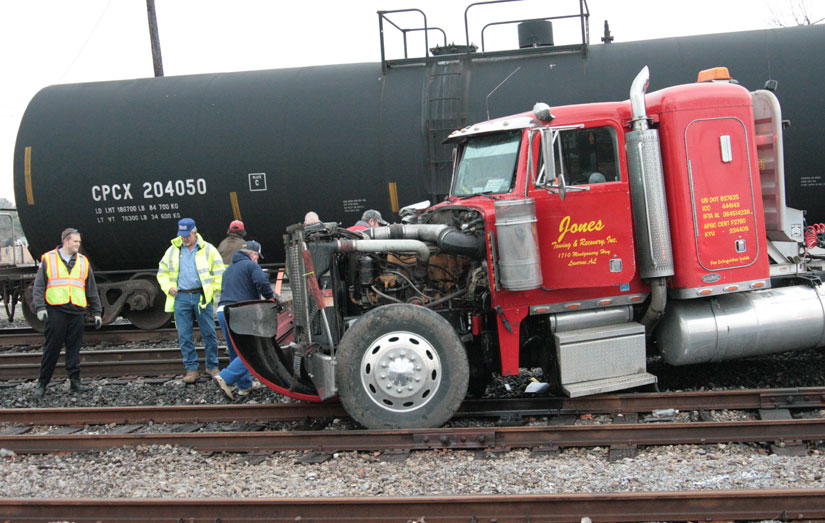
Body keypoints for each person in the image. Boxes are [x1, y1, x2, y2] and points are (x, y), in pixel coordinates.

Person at [32, 228, 103, 398]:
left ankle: (75, 382)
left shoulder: (83, 261)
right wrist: (40, 307)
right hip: (56, 310)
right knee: (52, 348)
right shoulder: (48, 259)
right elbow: (39, 285)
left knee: (74, 348)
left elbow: (91, 288)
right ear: (65, 241)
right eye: (75, 241)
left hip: (77, 311)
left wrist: (97, 311)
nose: (78, 244)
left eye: (79, 241)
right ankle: (42, 383)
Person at [157, 218, 225, 383]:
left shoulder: (208, 249)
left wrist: (211, 289)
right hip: (181, 297)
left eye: (187, 235)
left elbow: (220, 272)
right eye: (182, 235)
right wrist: (168, 288)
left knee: (209, 333)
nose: (184, 238)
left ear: (195, 232)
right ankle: (191, 369)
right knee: (184, 335)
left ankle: (212, 366)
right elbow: (162, 272)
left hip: (201, 296)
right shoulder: (172, 250)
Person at [213, 240, 276, 399]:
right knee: (252, 350)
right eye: (258, 256)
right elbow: (261, 281)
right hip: (240, 312)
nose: (257, 260)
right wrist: (270, 297)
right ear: (253, 255)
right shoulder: (251, 265)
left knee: (236, 350)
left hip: (222, 311)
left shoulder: (229, 269)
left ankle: (244, 386)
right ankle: (226, 377)